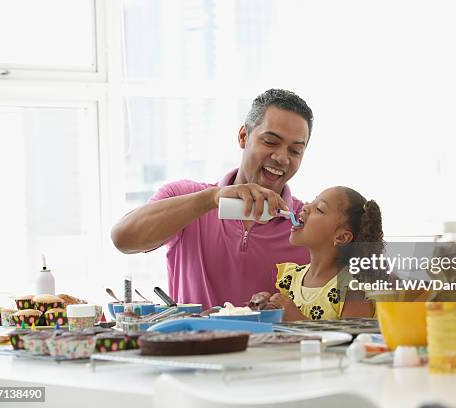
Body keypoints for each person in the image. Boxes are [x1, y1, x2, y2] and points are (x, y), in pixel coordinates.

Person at [111, 89, 313, 308]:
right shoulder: (185, 196)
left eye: (295, 151)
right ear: (244, 136)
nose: (282, 158)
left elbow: (351, 301)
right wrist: (210, 199)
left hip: (274, 343)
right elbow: (123, 238)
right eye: (271, 142)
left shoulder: (308, 224)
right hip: (195, 342)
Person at [260, 186, 384, 320]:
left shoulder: (353, 289)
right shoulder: (291, 279)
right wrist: (267, 307)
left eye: (319, 209)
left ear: (341, 237)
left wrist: (297, 319)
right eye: (312, 201)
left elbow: (354, 337)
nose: (306, 207)